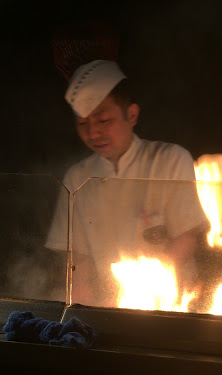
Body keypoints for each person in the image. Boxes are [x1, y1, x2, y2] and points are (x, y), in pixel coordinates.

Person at [46, 59, 209, 307]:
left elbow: (186, 238)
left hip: (175, 306)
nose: (93, 133)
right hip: (110, 307)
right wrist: (80, 313)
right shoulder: (76, 177)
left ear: (131, 115)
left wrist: (147, 296)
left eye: (103, 121)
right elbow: (78, 261)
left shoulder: (171, 159)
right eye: (83, 124)